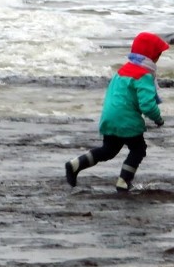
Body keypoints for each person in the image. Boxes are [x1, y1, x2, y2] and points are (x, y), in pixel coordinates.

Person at [65, 32, 168, 192]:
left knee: (108, 150)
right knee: (138, 149)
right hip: (127, 120)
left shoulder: (123, 70)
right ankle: (124, 181)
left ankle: (75, 164)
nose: (157, 59)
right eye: (157, 55)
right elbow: (147, 105)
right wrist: (158, 118)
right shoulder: (144, 75)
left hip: (109, 116)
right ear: (150, 56)